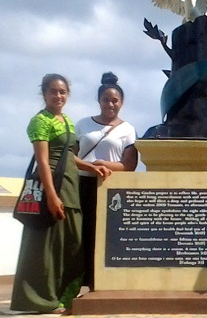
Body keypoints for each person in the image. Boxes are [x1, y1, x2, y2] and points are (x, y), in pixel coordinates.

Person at [11, 74, 110, 314]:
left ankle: (65, 297)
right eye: (53, 91)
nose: (58, 96)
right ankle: (40, 300)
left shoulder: (65, 120)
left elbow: (69, 156)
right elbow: (43, 162)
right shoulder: (40, 121)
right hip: (52, 188)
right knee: (46, 248)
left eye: (62, 92)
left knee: (72, 245)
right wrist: (52, 196)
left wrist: (91, 167)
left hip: (70, 187)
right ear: (44, 94)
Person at [75, 72, 138, 290]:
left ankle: (99, 283)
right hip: (82, 184)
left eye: (115, 100)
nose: (110, 104)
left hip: (110, 187)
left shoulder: (128, 129)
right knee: (80, 234)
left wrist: (102, 164)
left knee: (105, 236)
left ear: (121, 102)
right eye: (105, 100)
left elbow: (129, 165)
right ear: (98, 101)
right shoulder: (82, 125)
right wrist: (90, 167)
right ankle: (76, 282)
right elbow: (69, 156)